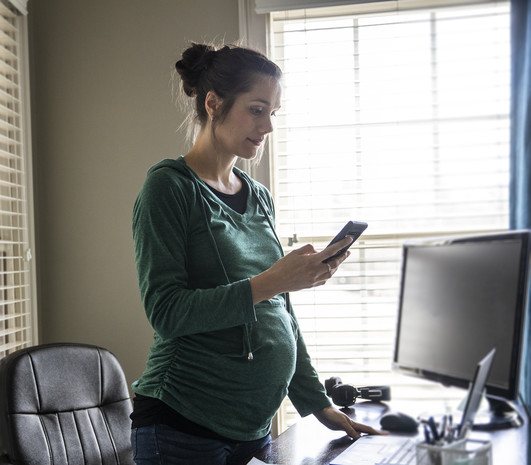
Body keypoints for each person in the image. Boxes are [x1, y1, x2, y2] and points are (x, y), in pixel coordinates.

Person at [130, 42, 384, 465]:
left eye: (273, 113)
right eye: (256, 110)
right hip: (181, 427)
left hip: (252, 429)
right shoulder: (169, 188)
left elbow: (280, 311)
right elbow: (166, 312)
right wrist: (274, 281)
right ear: (213, 104)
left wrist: (319, 405)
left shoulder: (259, 197)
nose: (267, 126)